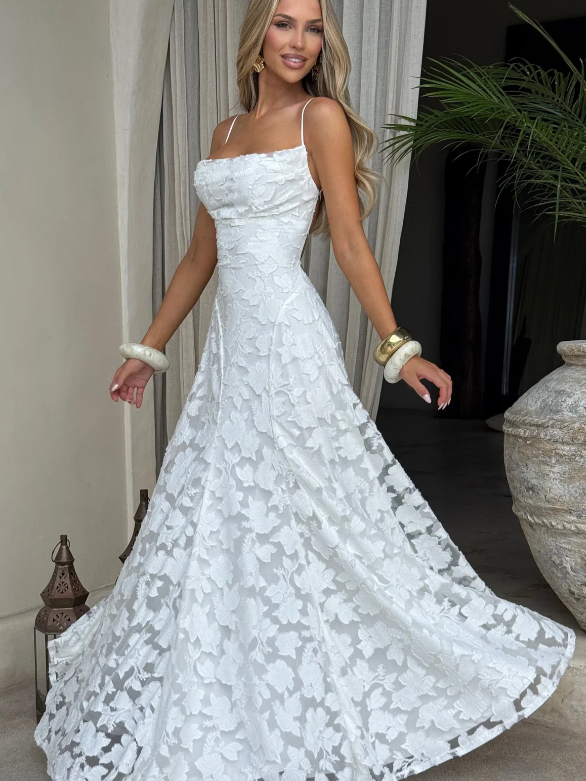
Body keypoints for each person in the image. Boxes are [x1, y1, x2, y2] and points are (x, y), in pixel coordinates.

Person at [35, 1, 575, 780]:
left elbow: (349, 242)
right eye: (286, 24)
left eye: (314, 28)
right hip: (232, 355)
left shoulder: (321, 117)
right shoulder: (224, 133)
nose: (300, 41)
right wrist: (147, 351)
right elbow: (198, 258)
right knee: (229, 506)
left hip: (289, 341)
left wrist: (398, 350)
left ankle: (343, 672)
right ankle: (243, 671)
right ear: (258, 37)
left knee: (319, 506)